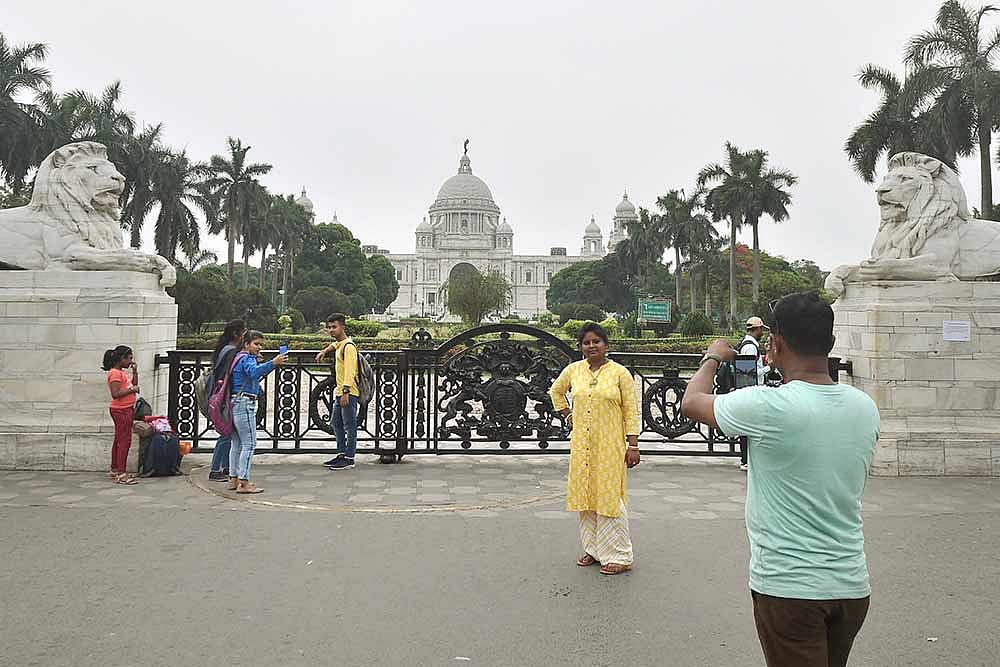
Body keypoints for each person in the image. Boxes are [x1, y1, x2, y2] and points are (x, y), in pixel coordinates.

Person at [681, 292, 880, 667]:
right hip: (852, 586)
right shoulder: (864, 407)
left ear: (774, 343)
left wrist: (711, 357)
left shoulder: (767, 405)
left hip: (791, 589)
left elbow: (691, 402)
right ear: (831, 344)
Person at [549, 322, 640, 576]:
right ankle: (595, 550)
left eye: (596, 342)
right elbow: (556, 392)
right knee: (586, 496)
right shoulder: (574, 371)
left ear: (605, 345)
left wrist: (633, 444)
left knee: (610, 497)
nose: (591, 346)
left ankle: (620, 555)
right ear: (581, 347)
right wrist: (567, 414)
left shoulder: (620, 373)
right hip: (582, 446)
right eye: (586, 343)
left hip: (610, 446)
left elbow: (631, 410)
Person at [227, 331, 286, 493]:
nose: (259, 347)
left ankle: (233, 479)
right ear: (246, 344)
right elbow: (253, 373)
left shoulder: (238, 357)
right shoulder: (246, 358)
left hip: (234, 401)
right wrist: (273, 363)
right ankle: (244, 483)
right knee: (249, 443)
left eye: (261, 344)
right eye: (256, 344)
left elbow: (252, 375)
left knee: (237, 443)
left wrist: (268, 364)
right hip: (244, 403)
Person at [315, 313, 360, 471]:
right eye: (329, 327)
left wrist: (346, 391)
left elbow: (350, 370)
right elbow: (335, 345)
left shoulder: (348, 347)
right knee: (336, 423)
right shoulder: (341, 344)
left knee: (349, 425)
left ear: (343, 327)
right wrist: (324, 350)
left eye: (334, 327)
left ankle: (349, 457)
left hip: (348, 392)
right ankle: (341, 453)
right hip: (340, 391)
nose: (331, 330)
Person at [207, 319, 246, 482]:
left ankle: (225, 467)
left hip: (220, 395)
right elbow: (227, 375)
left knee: (227, 433)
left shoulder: (224, 349)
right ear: (236, 334)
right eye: (244, 332)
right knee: (225, 434)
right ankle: (215, 469)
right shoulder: (231, 351)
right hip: (225, 397)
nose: (245, 335)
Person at [102, 345, 140, 485]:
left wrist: (135, 373)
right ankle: (121, 473)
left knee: (119, 440)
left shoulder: (120, 373)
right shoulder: (115, 374)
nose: (131, 361)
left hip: (125, 409)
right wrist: (133, 390)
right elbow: (116, 394)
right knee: (124, 441)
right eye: (129, 358)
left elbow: (133, 385)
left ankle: (115, 469)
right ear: (121, 358)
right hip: (121, 410)